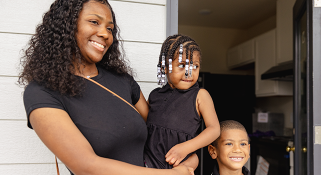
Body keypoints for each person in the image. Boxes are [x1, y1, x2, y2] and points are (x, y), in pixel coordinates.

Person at [18, 0, 195, 175]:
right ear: (67, 24)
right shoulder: (42, 92)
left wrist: (190, 158)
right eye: (94, 22)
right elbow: (86, 166)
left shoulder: (122, 80)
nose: (105, 34)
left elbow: (163, 133)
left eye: (110, 28)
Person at [143, 34, 221, 169]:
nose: (189, 73)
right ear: (165, 67)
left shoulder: (200, 95)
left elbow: (214, 129)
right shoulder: (155, 95)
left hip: (177, 167)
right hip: (147, 165)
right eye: (182, 65)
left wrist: (185, 148)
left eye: (195, 66)